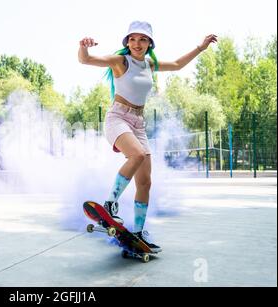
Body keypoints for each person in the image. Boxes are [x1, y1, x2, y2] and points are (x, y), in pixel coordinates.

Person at [78, 21, 217, 252]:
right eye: (132, 39)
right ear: (127, 42)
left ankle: (139, 232)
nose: (137, 44)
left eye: (142, 39)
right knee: (138, 154)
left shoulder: (150, 65)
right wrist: (84, 46)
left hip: (138, 123)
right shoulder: (120, 61)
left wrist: (201, 47)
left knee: (145, 182)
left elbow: (177, 64)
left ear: (149, 43)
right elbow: (86, 60)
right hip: (118, 118)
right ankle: (110, 203)